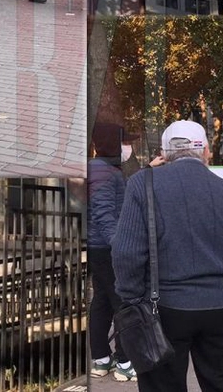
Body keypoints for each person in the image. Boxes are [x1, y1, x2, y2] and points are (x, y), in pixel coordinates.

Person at [112, 120, 223, 392]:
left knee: (163, 383)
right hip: (221, 306)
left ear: (165, 153)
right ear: (205, 151)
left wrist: (133, 299)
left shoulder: (142, 185)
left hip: (164, 307)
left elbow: (126, 253)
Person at [88, 123, 137, 382]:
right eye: (125, 143)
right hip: (108, 248)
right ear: (112, 145)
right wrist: (121, 245)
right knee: (122, 303)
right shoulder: (105, 173)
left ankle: (101, 360)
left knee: (103, 302)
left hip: (99, 247)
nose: (129, 148)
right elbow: (104, 212)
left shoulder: (100, 169)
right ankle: (125, 363)